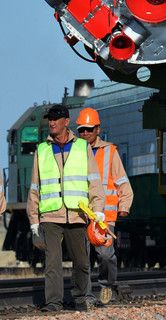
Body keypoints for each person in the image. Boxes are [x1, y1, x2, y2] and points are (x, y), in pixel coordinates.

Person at [26, 103, 105, 313]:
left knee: (82, 262)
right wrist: (34, 222)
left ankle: (80, 298)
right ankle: (53, 302)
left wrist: (98, 209)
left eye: (56, 119)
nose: (52, 122)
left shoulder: (82, 147)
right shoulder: (42, 150)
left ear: (66, 122)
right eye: (50, 119)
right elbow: (34, 188)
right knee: (52, 262)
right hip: (50, 216)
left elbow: (94, 181)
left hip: (78, 215)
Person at [76, 107, 133, 305]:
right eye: (81, 129)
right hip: (80, 214)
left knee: (106, 255)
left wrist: (124, 204)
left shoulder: (110, 152)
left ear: (98, 129)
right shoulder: (74, 151)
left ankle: (107, 286)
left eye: (89, 129)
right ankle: (85, 295)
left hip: (104, 217)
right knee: (82, 259)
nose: (85, 133)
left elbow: (122, 181)